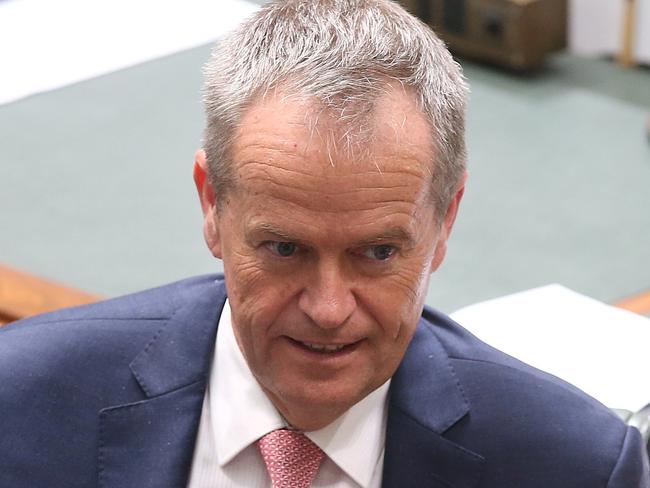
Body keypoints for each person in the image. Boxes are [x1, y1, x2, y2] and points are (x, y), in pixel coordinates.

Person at [1, 1, 648, 487]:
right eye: (285, 249)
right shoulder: (20, 403)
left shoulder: (574, 467)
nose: (330, 308)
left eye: (378, 253)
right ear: (211, 203)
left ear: (446, 220)